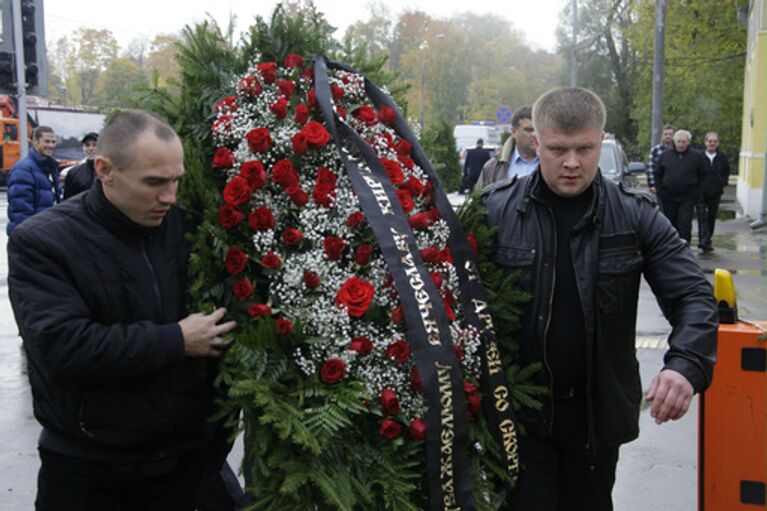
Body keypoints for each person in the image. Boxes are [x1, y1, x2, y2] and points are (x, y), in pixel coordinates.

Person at [482, 87, 717, 511]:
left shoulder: (635, 215)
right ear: (536, 143)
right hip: (515, 416)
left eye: (584, 149)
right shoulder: (494, 213)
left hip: (595, 416)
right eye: (558, 149)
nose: (572, 163)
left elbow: (694, 296)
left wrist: (685, 366)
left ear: (601, 141)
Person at [8, 110, 240, 510]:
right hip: (90, 469)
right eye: (154, 183)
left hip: (181, 466)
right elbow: (62, 347)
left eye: (175, 181)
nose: (169, 196)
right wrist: (177, 340)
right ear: (104, 169)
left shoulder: (188, 231)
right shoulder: (44, 242)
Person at [6, 125, 61, 235]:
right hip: (32, 236)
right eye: (46, 141)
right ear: (35, 142)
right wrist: (30, 238)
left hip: (47, 233)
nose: (50, 145)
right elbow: (21, 211)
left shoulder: (51, 168)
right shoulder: (23, 169)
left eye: (53, 142)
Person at [654, 129, 706, 244]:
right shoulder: (665, 155)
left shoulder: (697, 156)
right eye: (678, 141)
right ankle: (670, 246)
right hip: (668, 197)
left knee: (685, 223)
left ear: (688, 142)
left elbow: (703, 175)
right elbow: (658, 174)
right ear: (674, 141)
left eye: (683, 142)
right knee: (669, 223)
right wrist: (660, 190)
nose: (681, 144)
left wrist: (697, 192)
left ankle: (684, 246)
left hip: (688, 197)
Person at [476, 106, 538, 189]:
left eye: (537, 130)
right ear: (514, 132)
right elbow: (479, 198)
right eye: (528, 130)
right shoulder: (493, 167)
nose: (534, 135)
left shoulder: (553, 163)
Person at [696, 131, 730, 252]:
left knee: (711, 217)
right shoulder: (699, 157)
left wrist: (722, 183)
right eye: (710, 141)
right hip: (701, 192)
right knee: (701, 216)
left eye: (714, 141)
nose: (712, 143)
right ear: (705, 142)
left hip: (715, 193)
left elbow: (726, 171)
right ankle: (703, 241)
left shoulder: (722, 157)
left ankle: (708, 239)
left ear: (718, 143)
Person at [63, 131, 99, 200]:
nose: (90, 148)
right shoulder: (73, 173)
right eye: (87, 145)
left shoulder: (110, 172)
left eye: (94, 145)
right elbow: (67, 202)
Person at [647, 123, 675, 194]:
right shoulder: (655, 150)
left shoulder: (679, 149)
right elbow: (651, 169)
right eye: (665, 134)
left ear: (674, 135)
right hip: (660, 187)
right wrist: (653, 185)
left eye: (670, 134)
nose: (668, 136)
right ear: (662, 136)